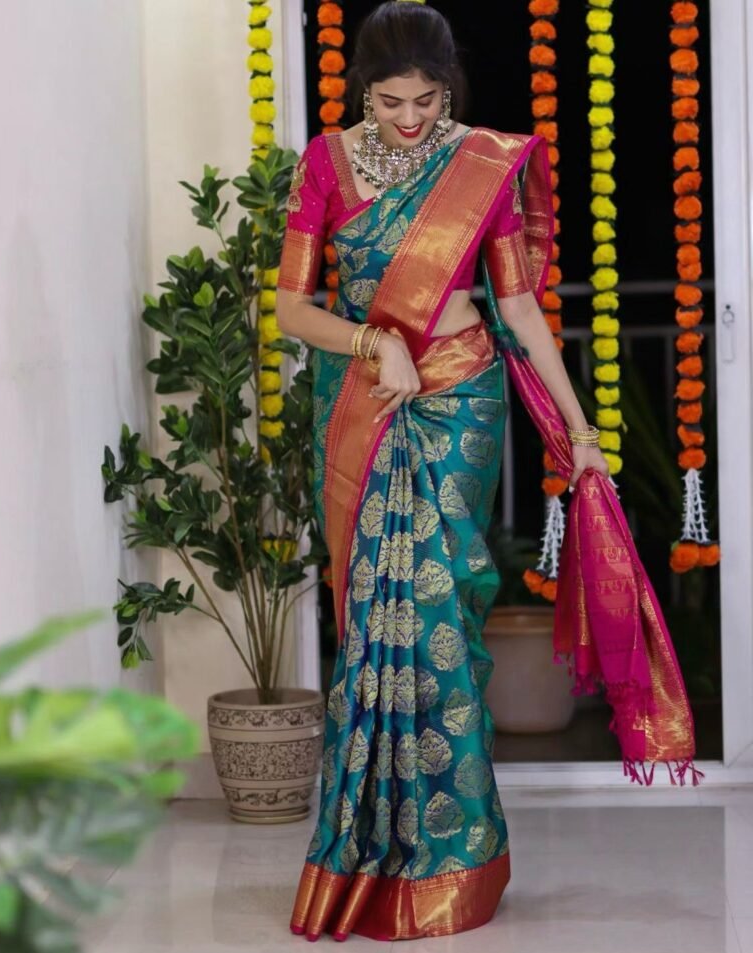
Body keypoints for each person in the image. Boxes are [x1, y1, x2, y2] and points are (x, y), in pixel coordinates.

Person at [275, 0, 700, 942]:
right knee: (372, 626)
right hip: (366, 407)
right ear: (364, 91)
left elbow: (519, 305)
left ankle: (455, 857)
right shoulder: (325, 164)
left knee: (441, 616)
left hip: (461, 401)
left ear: (448, 88)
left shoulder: (480, 164)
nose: (411, 118)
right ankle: (369, 853)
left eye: (427, 99)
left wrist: (580, 428)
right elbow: (292, 310)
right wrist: (373, 342)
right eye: (392, 101)